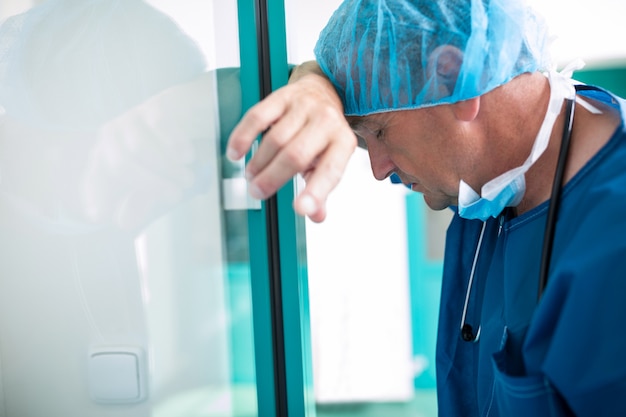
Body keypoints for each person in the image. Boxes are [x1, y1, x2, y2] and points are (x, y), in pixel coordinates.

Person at [227, 0, 626, 415]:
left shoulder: (612, 235)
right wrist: (313, 85)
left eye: (379, 131)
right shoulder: (491, 178)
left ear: (453, 76)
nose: (379, 170)